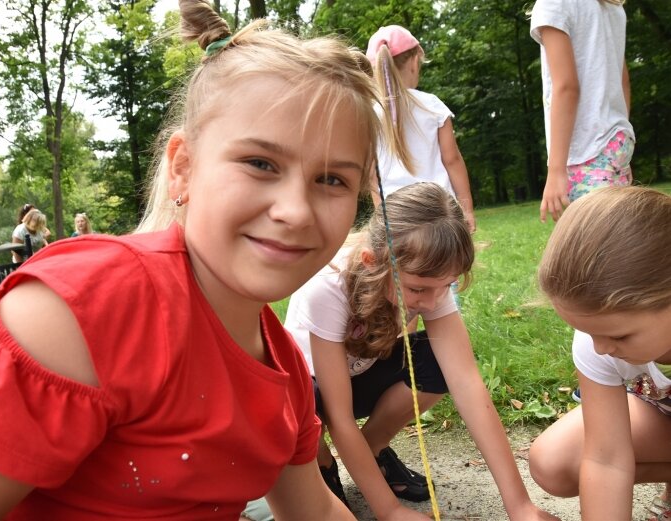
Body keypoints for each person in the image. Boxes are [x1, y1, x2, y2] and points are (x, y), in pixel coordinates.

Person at [0, 0, 382, 518]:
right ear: (183, 169)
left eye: (332, 180)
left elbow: (317, 511)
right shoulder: (84, 312)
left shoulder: (284, 367)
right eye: (260, 163)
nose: (295, 211)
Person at [284, 182, 559, 521]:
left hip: (363, 375)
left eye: (447, 286)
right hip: (312, 392)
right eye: (418, 289)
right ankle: (321, 464)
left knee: (436, 361)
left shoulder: (427, 277)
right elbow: (339, 417)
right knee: (300, 403)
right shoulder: (328, 286)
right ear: (373, 262)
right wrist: (390, 511)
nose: (432, 301)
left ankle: (371, 451)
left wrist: (520, 507)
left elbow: (467, 383)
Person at [529, 186, 671, 521]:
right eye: (588, 332)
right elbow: (606, 459)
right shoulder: (600, 341)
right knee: (554, 462)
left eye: (618, 335)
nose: (600, 348)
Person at [530, 0, 635, 223]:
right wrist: (618, 154)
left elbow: (566, 87)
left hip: (587, 149)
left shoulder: (554, 4)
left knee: (594, 248)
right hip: (616, 139)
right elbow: (623, 81)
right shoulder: (612, 5)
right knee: (619, 238)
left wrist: (556, 170)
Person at [366, 25, 476, 233]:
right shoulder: (432, 106)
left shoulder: (370, 115)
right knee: (451, 264)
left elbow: (372, 176)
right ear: (415, 62)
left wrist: (384, 221)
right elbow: (451, 160)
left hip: (398, 217)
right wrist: (467, 209)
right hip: (441, 212)